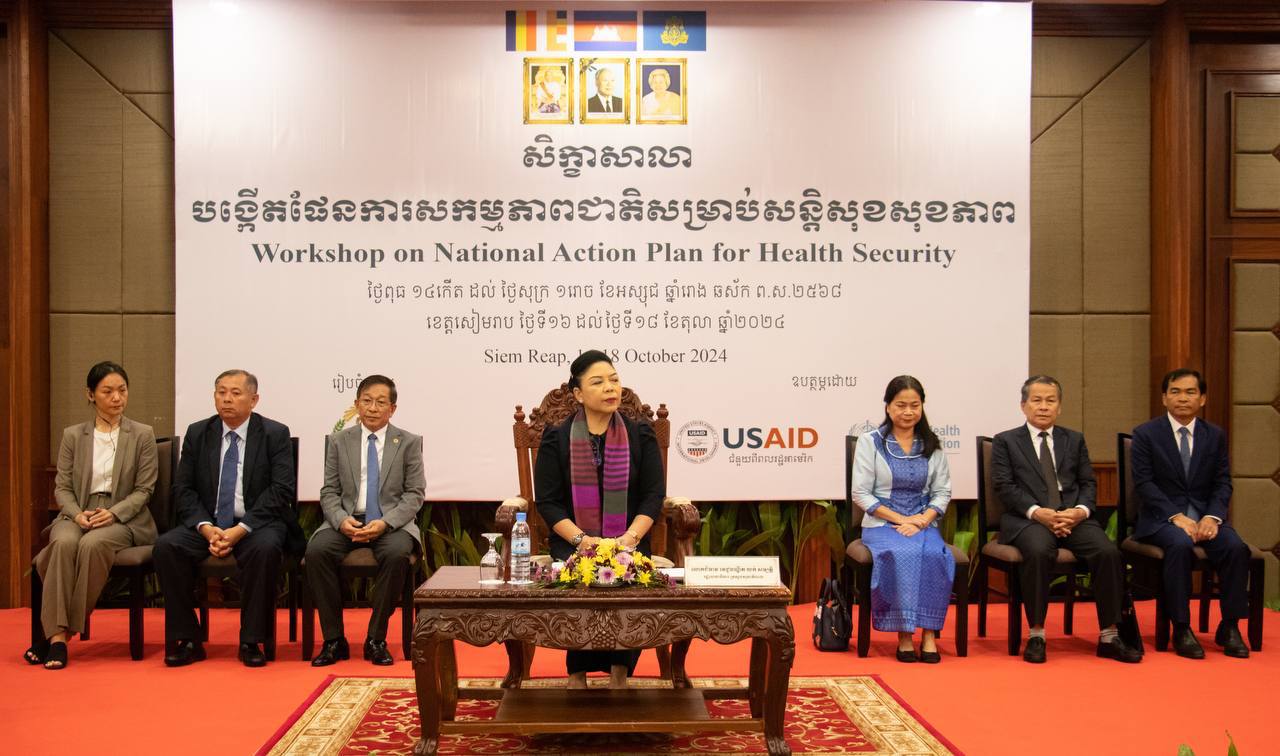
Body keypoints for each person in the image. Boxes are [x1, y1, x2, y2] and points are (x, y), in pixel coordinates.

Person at [534, 350, 665, 689]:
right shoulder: (557, 437)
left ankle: (620, 669)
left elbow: (653, 496)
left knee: (627, 571)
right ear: (578, 393)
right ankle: (577, 671)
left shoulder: (640, 433)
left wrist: (630, 538)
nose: (610, 387)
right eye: (598, 382)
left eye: (614, 380)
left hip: (630, 539)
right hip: (574, 541)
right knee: (582, 573)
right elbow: (548, 502)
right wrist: (582, 541)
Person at [991, 375, 1141, 664]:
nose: (1043, 406)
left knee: (1107, 552)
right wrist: (1038, 512)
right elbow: (1004, 486)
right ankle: (1037, 634)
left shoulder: (1073, 439)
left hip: (1072, 518)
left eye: (1050, 401)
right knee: (1038, 551)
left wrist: (1079, 511)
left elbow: (1088, 483)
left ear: (1059, 407)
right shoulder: (1006, 441)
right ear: (1023, 405)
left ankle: (1109, 636)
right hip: (1029, 519)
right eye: (1036, 400)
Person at [155, 369, 298, 668]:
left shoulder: (274, 434)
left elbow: (281, 490)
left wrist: (240, 530)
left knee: (265, 548)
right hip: (208, 524)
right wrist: (207, 529)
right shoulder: (199, 433)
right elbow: (183, 489)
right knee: (168, 547)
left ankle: (252, 640)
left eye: (235, 393)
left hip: (256, 523)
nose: (227, 399)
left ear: (254, 400)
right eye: (221, 392)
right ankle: (188, 638)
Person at [26, 361, 157, 670]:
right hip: (78, 511)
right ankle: (58, 636)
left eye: (122, 390)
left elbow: (144, 490)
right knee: (62, 544)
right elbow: (62, 488)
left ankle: (58, 637)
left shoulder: (142, 434)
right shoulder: (73, 436)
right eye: (107, 391)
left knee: (92, 544)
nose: (117, 398)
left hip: (124, 516)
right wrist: (76, 515)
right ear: (90, 394)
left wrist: (112, 513)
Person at [1130, 368, 1251, 659]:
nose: (1182, 398)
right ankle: (1181, 627)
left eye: (1190, 392)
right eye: (1175, 392)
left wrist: (1212, 517)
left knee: (1236, 548)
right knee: (1180, 544)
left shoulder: (1214, 435)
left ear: (1202, 398)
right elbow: (1144, 483)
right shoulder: (1146, 434)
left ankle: (1230, 625)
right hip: (1161, 520)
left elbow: (1222, 482)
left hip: (1205, 517)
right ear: (1164, 398)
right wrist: (1176, 516)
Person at [307, 375, 425, 667]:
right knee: (317, 551)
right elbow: (329, 491)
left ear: (392, 409)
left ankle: (376, 639)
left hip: (390, 523)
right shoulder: (339, 441)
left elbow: (414, 494)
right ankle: (334, 640)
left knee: (397, 554)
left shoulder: (408, 442)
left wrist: (385, 523)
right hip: (347, 520)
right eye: (367, 401)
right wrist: (340, 520)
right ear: (357, 404)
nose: (372, 408)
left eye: (380, 402)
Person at [850, 375, 954, 663]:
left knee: (935, 554)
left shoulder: (932, 444)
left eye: (914, 405)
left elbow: (942, 491)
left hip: (923, 521)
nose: (908, 412)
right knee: (902, 552)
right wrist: (900, 520)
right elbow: (861, 493)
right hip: (882, 522)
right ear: (888, 406)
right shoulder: (871, 442)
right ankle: (905, 635)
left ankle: (929, 633)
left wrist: (921, 520)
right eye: (901, 405)